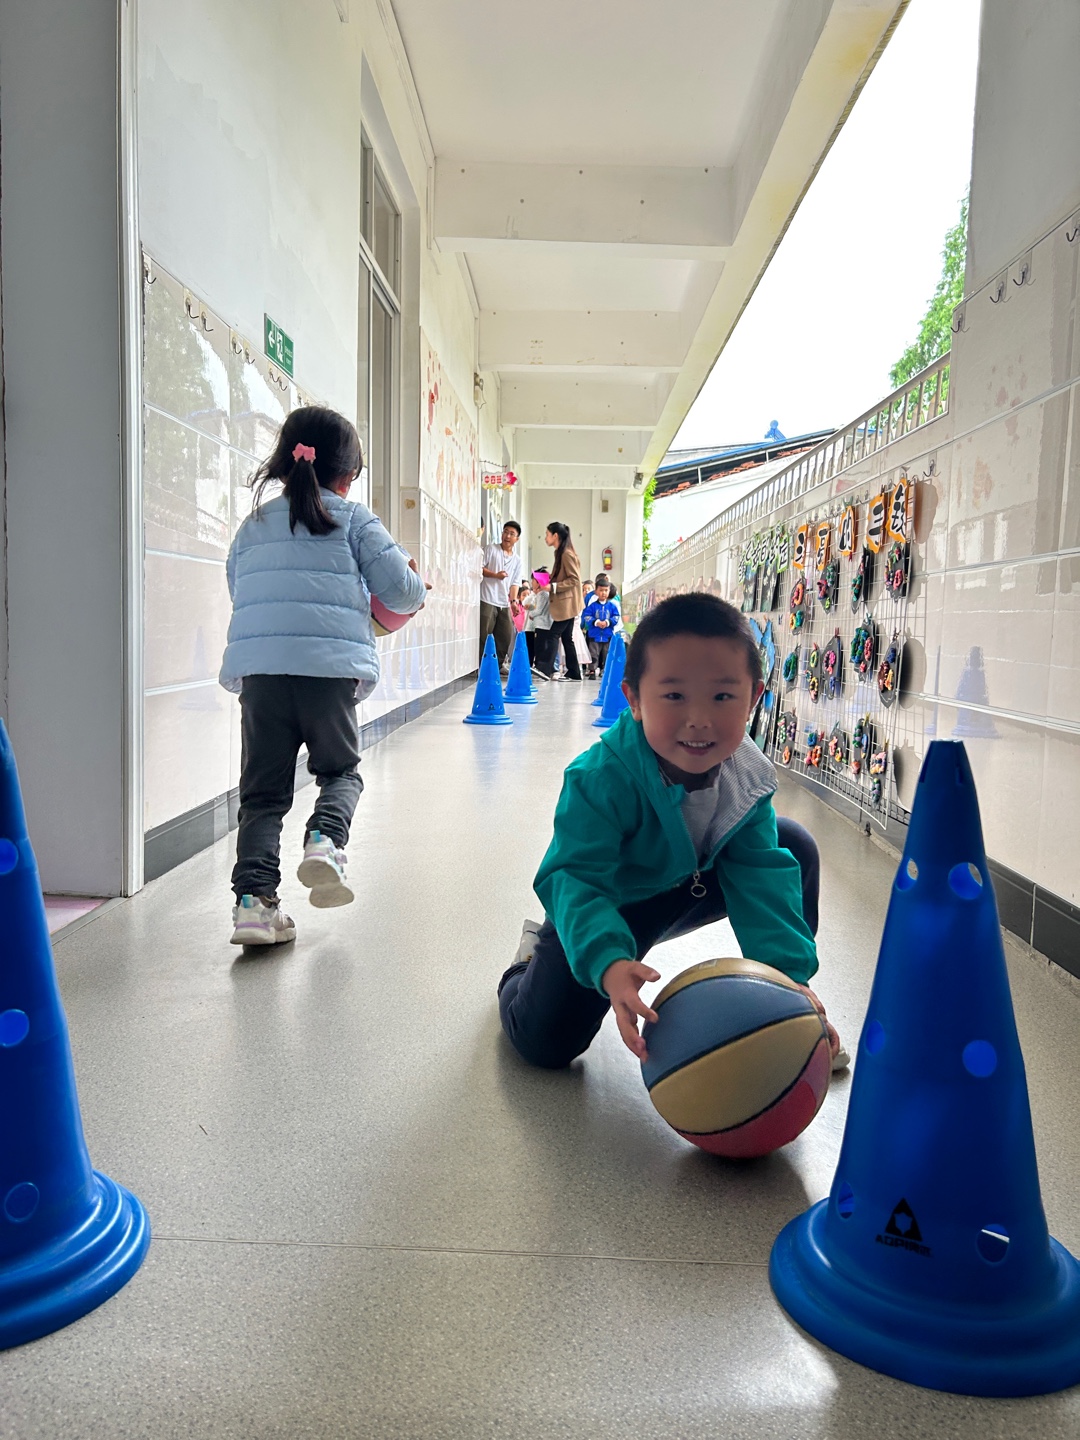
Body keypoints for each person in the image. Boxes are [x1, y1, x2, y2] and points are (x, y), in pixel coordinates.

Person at [498, 591, 847, 1070]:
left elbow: (761, 880)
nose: (699, 720)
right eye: (674, 696)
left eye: (722, 696)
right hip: (608, 904)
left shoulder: (746, 776)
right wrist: (609, 962)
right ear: (634, 699)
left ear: (753, 699)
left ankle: (785, 1007)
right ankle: (526, 963)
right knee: (545, 1045)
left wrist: (790, 984)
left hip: (689, 884)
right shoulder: (600, 778)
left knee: (791, 845)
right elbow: (574, 878)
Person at [219, 406, 428, 947]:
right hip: (329, 675)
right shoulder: (354, 519)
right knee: (340, 773)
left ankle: (253, 907)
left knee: (262, 797)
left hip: (262, 677)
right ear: (349, 474)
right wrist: (409, 572)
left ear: (283, 464)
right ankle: (325, 841)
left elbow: (239, 588)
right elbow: (403, 592)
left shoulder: (253, 525)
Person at [534, 522, 583, 680]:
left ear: (555, 535)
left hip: (567, 604)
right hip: (567, 603)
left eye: (547, 534)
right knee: (567, 638)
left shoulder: (566, 554)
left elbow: (574, 579)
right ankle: (574, 672)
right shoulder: (561, 552)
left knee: (553, 635)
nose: (545, 538)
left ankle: (544, 669)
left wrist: (553, 587)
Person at [479, 520, 523, 669]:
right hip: (487, 598)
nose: (507, 536)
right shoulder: (491, 549)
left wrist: (514, 602)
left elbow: (515, 583)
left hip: (504, 602)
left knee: (505, 636)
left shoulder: (517, 560)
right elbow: (479, 568)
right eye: (505, 532)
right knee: (484, 635)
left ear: (517, 538)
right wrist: (495, 575)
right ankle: (482, 667)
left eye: (512, 534)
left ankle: (497, 666)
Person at [581, 577, 620, 679]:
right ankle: (592, 670)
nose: (604, 593)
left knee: (606, 653)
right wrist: (596, 622)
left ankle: (604, 670)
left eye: (606, 590)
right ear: (596, 591)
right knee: (593, 653)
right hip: (594, 634)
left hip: (607, 634)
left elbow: (616, 617)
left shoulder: (612, 606)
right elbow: (587, 616)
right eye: (601, 590)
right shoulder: (592, 606)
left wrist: (607, 622)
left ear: (609, 591)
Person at [526, 570, 553, 674]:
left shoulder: (543, 594)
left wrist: (531, 614)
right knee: (540, 647)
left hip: (542, 625)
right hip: (542, 625)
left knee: (540, 648)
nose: (531, 582)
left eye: (533, 580)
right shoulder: (543, 594)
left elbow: (539, 610)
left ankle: (541, 669)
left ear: (538, 582)